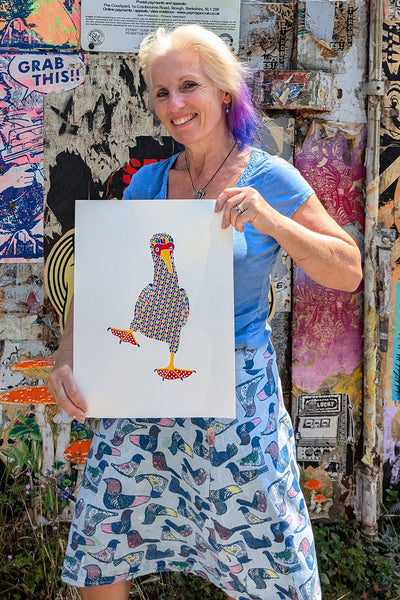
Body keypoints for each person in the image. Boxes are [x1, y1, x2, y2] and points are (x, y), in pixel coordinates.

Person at [48, 24, 362, 600]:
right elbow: (101, 279)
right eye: (161, 93)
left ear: (222, 91)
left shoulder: (270, 178)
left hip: (237, 398)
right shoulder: (147, 184)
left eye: (188, 85)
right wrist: (68, 355)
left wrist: (272, 220)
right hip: (143, 394)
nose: (175, 104)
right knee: (103, 547)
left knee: (272, 564)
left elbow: (347, 269)